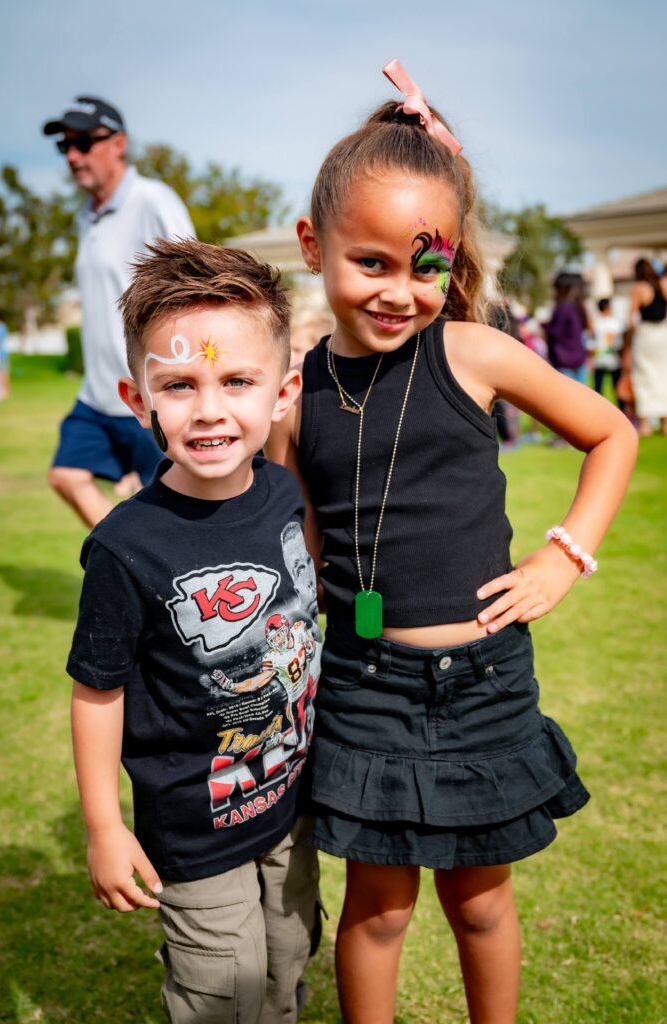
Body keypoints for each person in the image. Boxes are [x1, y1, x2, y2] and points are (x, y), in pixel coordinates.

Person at [266, 59, 638, 1024]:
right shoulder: (294, 397)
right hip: (364, 683)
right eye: (372, 263)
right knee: (378, 909)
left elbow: (613, 432)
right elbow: (298, 531)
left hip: (484, 685)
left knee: (481, 902)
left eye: (426, 265)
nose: (401, 291)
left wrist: (565, 554)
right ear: (315, 245)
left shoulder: (473, 352)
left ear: (454, 257)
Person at [67, 239, 323, 1024]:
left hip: (292, 806)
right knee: (224, 996)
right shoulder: (125, 545)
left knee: (287, 968)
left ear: (281, 393)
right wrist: (104, 827)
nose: (209, 408)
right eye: (178, 384)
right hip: (193, 827)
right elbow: (95, 691)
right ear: (135, 396)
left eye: (236, 380)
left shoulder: (286, 495)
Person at [42, 96, 195, 527]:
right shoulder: (86, 217)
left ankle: (149, 571)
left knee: (177, 521)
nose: (73, 156)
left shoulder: (152, 201)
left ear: (119, 143)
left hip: (147, 396)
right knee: (67, 475)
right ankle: (128, 554)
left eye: (85, 142)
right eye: (65, 146)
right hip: (97, 396)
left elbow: (194, 284)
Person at [626, 258, 667, 436]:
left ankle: (645, 425)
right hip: (663, 333)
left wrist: (631, 335)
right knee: (664, 374)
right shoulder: (663, 283)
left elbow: (631, 317)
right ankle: (666, 424)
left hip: (646, 335)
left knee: (643, 376)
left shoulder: (639, 288)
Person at [544, 271, 589, 383]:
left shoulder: (563, 307)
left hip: (564, 360)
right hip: (579, 359)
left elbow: (556, 332)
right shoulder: (579, 307)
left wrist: (543, 326)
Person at [588, 298, 622, 400]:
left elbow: (590, 343)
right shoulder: (616, 323)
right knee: (616, 389)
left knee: (599, 390)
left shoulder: (595, 323)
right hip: (612, 360)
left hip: (600, 360)